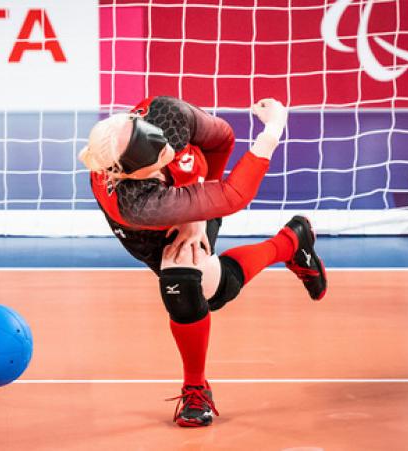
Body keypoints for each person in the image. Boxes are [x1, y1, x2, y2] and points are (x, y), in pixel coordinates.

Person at [78, 96, 327, 427]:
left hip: (186, 188)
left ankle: (196, 387)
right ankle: (291, 242)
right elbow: (234, 196)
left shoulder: (166, 114)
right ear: (126, 173)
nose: (162, 145)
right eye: (153, 153)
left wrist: (195, 200)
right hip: (149, 231)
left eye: (153, 134)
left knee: (180, 284)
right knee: (215, 291)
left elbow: (222, 141)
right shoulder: (136, 203)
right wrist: (186, 205)